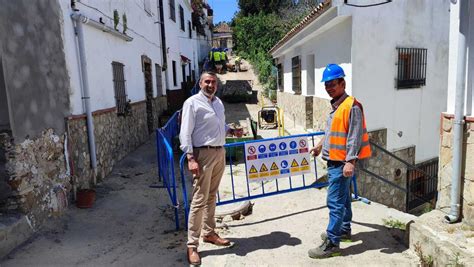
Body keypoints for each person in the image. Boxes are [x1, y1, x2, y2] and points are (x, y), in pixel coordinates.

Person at [308, 64, 371, 259]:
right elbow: (331, 133)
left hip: (342, 163)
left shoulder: (352, 106)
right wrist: (319, 146)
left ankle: (332, 242)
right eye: (326, 85)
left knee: (334, 202)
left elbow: (354, 136)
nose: (329, 88)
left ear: (342, 83)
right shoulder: (337, 106)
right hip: (334, 161)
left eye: (332, 84)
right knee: (343, 199)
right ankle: (344, 230)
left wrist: (350, 162)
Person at [179, 71, 233, 265]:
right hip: (202, 155)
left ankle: (209, 233)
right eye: (207, 81)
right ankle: (192, 245)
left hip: (219, 152)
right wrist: (190, 157)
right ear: (200, 83)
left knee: (211, 195)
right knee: (199, 199)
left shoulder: (218, 103)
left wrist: (230, 130)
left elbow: (220, 125)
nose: (211, 85)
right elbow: (185, 132)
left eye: (214, 82)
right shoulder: (192, 103)